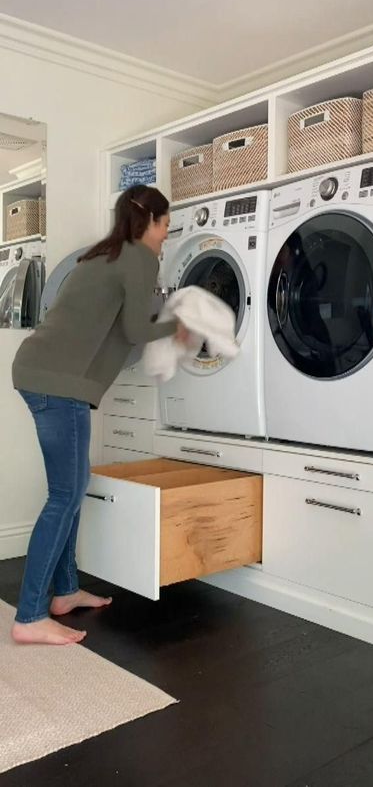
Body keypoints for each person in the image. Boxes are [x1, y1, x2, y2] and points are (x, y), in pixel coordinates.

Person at [11, 184, 187, 646]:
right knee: (65, 496)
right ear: (148, 221)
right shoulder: (140, 257)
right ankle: (28, 616)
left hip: (39, 372)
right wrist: (180, 325)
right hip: (59, 383)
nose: (167, 235)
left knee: (71, 488)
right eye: (166, 224)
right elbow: (133, 328)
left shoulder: (99, 254)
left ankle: (64, 593)